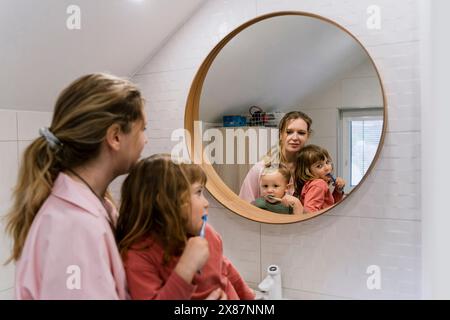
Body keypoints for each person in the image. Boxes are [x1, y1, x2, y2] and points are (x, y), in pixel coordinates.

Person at [4, 73, 148, 299]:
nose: (145, 141)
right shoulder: (75, 226)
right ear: (115, 137)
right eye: (143, 130)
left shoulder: (94, 206)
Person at [115, 154, 255, 300]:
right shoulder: (140, 255)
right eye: (198, 192)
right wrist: (186, 267)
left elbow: (226, 269)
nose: (206, 203)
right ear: (166, 202)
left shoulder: (207, 233)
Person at [239, 111, 312, 203]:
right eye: (289, 132)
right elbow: (244, 205)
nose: (295, 137)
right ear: (281, 134)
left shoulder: (311, 169)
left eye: (301, 133)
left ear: (307, 136)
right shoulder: (261, 169)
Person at [295, 144, 346, 213]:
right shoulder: (319, 184)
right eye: (319, 166)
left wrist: (338, 191)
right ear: (307, 171)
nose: (327, 168)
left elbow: (330, 206)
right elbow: (309, 212)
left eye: (327, 162)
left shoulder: (312, 184)